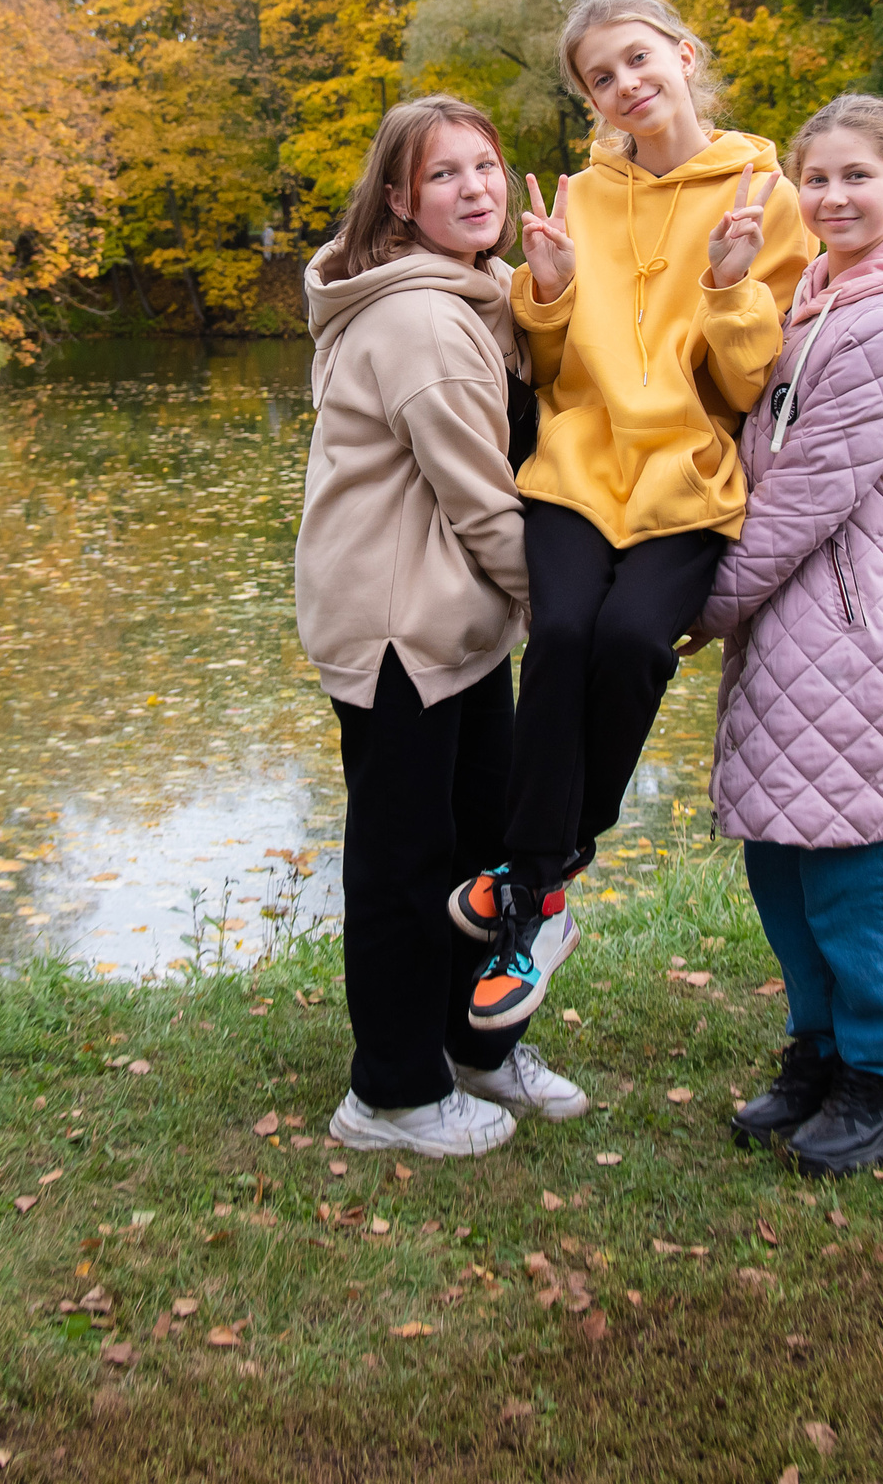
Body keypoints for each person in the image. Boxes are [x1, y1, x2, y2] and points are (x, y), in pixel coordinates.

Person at [451, 0, 816, 1033]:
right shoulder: (584, 197)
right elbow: (549, 368)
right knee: (562, 632)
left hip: (688, 479)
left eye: (638, 59)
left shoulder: (766, 194)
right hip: (575, 468)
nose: (625, 85)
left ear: (684, 54)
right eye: (600, 77)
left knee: (629, 643)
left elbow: (748, 388)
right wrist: (549, 290)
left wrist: (733, 287)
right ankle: (539, 895)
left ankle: (546, 866)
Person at [296, 94, 588, 1157]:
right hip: (399, 632)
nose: (475, 189)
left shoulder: (470, 292)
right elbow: (483, 504)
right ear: (398, 199)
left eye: (486, 166)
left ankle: (477, 1047)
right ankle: (392, 1094)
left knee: (480, 855)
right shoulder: (421, 322)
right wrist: (568, 623)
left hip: (457, 621)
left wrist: (549, 291)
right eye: (443, 174)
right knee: (406, 866)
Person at [692, 93, 883, 1177]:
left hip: (863, 622)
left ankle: (880, 1079)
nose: (833, 196)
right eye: (816, 178)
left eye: (858, 176)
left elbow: (806, 492)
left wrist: (695, 609)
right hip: (794, 620)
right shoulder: (815, 296)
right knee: (783, 850)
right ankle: (817, 1053)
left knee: (855, 861)